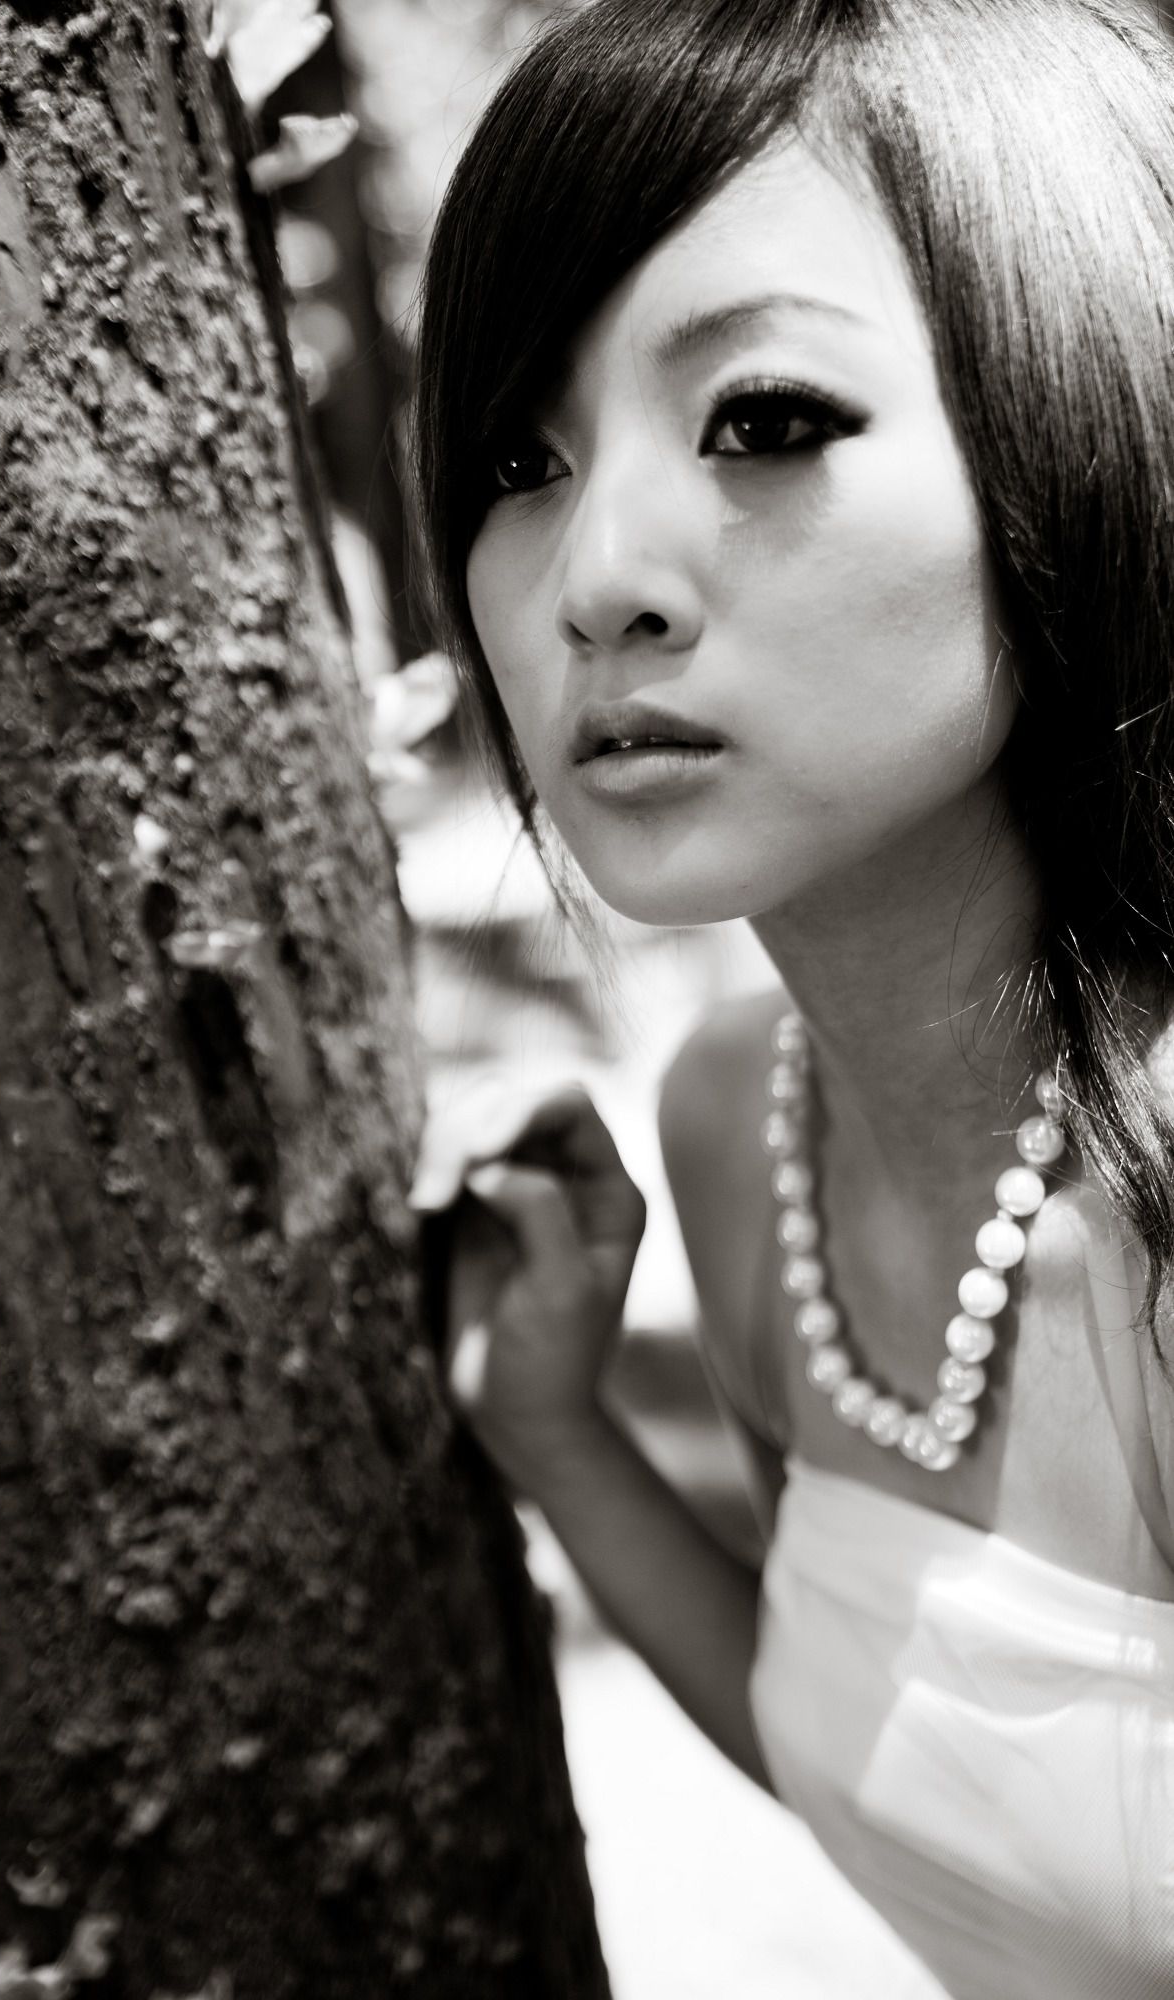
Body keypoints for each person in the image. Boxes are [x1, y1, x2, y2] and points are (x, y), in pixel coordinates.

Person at [405, 2, 1174, 1995]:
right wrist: (559, 1435)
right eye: (518, 459)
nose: (595, 577)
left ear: (1076, 412)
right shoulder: (738, 1121)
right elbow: (936, 1790)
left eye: (759, 418)